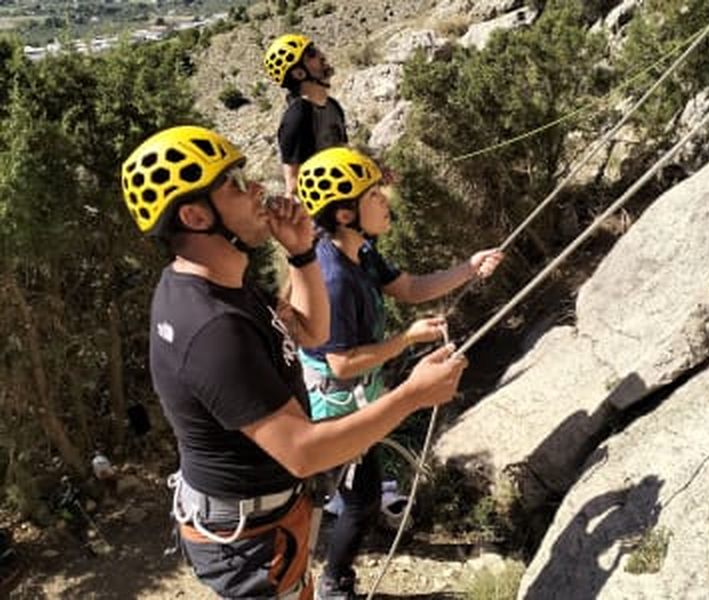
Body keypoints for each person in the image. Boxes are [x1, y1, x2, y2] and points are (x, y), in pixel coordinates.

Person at [120, 125, 467, 599]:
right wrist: (413, 395)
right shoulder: (213, 327)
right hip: (249, 543)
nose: (257, 188)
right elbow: (303, 451)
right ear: (197, 215)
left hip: (263, 521)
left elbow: (312, 333)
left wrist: (302, 253)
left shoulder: (213, 282)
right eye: (235, 185)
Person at [295, 147, 504, 599]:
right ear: (347, 213)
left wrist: (469, 267)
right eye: (375, 195)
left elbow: (409, 288)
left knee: (357, 494)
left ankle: (328, 579)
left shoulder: (360, 251)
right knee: (346, 497)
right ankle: (327, 584)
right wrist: (405, 342)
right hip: (331, 403)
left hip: (353, 395)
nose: (386, 200)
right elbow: (341, 362)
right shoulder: (332, 276)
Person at [264, 34, 347, 198]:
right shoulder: (298, 116)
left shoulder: (332, 106)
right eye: (311, 54)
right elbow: (294, 186)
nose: (321, 56)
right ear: (299, 73)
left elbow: (343, 153)